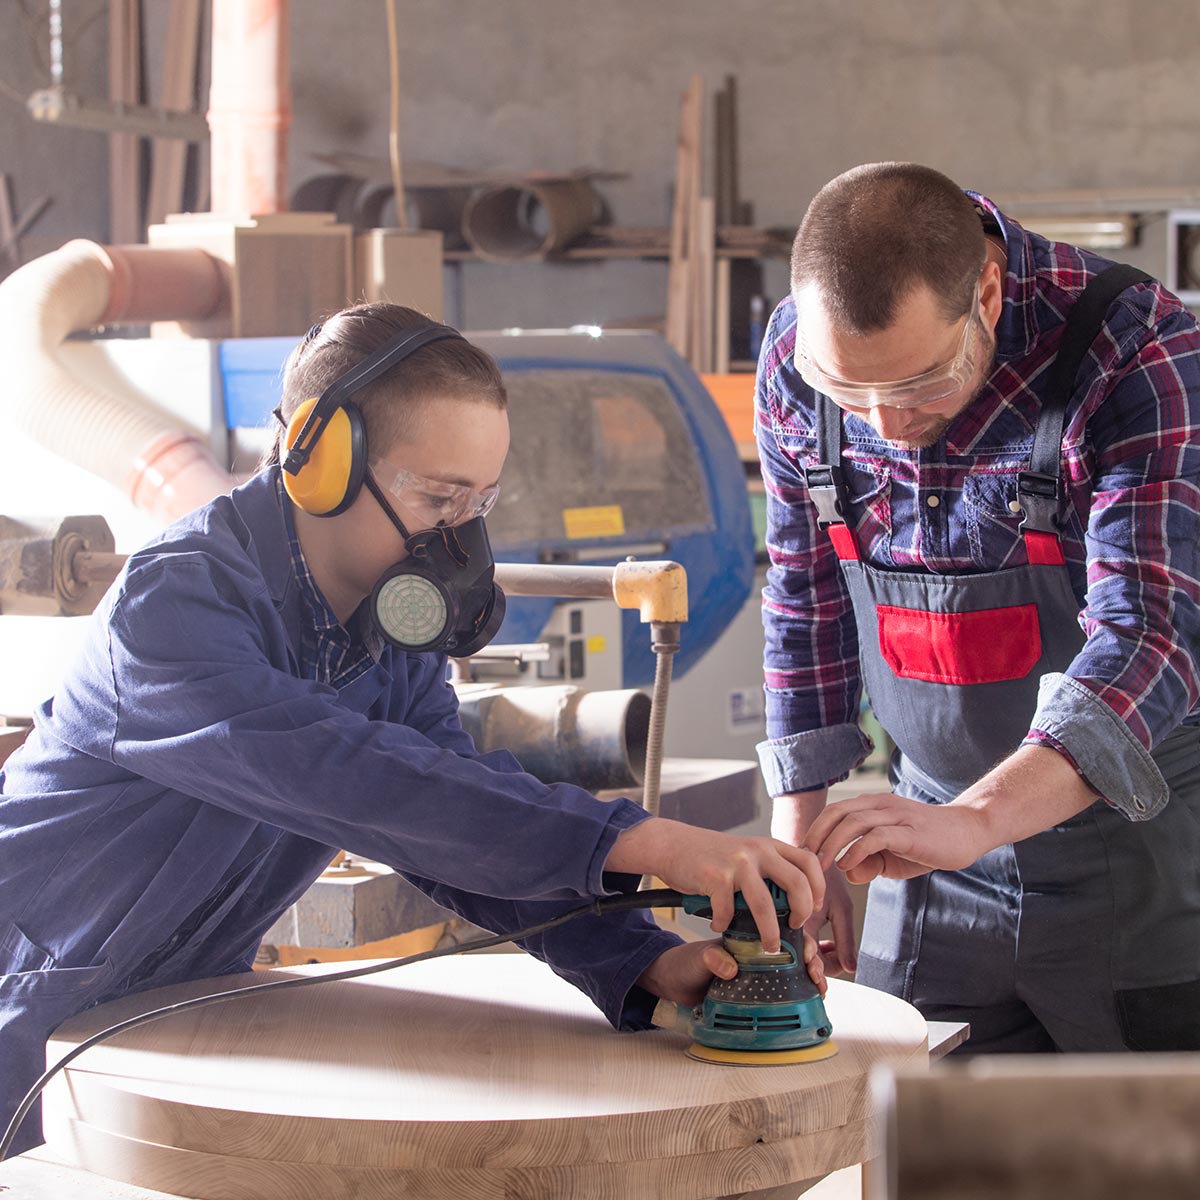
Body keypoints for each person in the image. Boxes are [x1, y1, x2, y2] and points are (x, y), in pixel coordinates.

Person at [0, 303, 827, 1157]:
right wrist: (645, 841)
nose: (460, 536)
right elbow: (357, 779)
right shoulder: (177, 605)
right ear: (315, 461)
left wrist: (637, 962)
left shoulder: (389, 642)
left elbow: (453, 825)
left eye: (479, 501)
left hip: (163, 1024)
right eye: (437, 497)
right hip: (20, 1009)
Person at [756, 161, 1200, 1053]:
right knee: (917, 1146)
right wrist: (800, 835)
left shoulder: (1137, 349)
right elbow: (805, 598)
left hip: (1143, 856)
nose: (884, 423)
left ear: (987, 294)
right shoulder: (798, 354)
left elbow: (1149, 634)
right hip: (930, 858)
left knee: (1152, 1155)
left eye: (920, 387)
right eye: (851, 395)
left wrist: (978, 821)